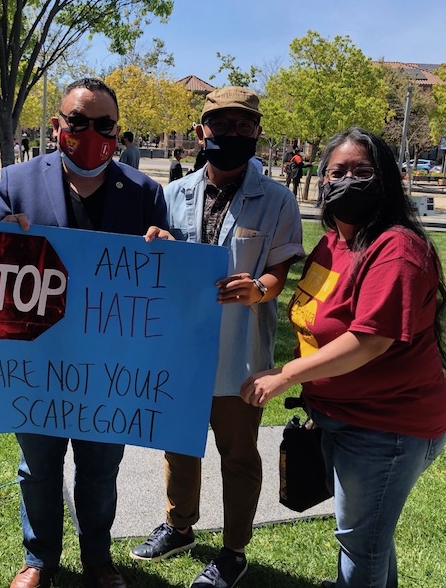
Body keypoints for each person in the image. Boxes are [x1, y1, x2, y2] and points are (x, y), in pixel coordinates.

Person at [240, 127, 446, 588]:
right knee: (368, 536)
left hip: (387, 426)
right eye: (337, 172)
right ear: (322, 181)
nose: (347, 181)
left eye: (362, 171)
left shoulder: (396, 249)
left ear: (386, 181)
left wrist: (286, 374)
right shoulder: (334, 241)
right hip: (340, 414)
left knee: (361, 543)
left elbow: (369, 340)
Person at [0, 77, 168, 588]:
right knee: (37, 468)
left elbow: (160, 284)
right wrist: (4, 244)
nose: (91, 133)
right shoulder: (15, 183)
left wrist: (166, 248)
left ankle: (97, 561)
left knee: (99, 471)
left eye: (104, 124)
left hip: (109, 366)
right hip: (37, 359)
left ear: (117, 130)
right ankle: (38, 560)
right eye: (79, 121)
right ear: (57, 125)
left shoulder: (144, 193)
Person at [133, 86, 304, 588]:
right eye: (221, 125)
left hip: (239, 354)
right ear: (200, 132)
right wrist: (157, 245)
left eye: (243, 126)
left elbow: (279, 270)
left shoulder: (277, 200)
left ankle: (233, 550)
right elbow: (156, 267)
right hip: (181, 353)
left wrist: (257, 289)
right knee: (179, 447)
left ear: (257, 133)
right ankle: (179, 526)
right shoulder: (172, 195)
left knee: (238, 454)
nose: (231, 134)